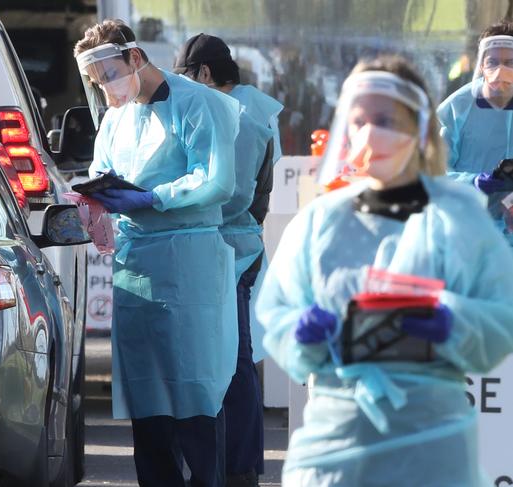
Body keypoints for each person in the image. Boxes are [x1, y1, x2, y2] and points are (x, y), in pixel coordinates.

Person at [256, 54, 513, 486]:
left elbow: (501, 316)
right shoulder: (320, 222)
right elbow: (277, 314)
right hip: (337, 447)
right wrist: (300, 332)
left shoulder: (458, 218)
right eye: (360, 120)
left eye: (387, 120)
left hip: (431, 444)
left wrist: (451, 320)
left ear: (420, 128)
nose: (371, 132)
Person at [74, 20, 240, 487]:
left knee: (195, 390)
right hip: (136, 263)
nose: (106, 89)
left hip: (189, 259)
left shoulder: (198, 104)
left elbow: (215, 179)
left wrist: (153, 198)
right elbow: (101, 168)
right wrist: (93, 198)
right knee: (147, 397)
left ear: (135, 57)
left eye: (109, 75)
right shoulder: (115, 117)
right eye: (96, 82)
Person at [173, 33, 283, 487]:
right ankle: (236, 467)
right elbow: (258, 195)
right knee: (234, 360)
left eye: (187, 79)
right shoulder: (258, 109)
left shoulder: (226, 113)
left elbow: (220, 192)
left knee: (228, 364)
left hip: (218, 248)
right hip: (241, 245)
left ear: (204, 74)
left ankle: (235, 470)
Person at [438, 20, 513, 245]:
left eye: (510, 62)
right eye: (493, 62)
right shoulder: (456, 108)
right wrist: (473, 182)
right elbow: (430, 170)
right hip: (464, 229)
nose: (501, 71)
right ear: (481, 64)